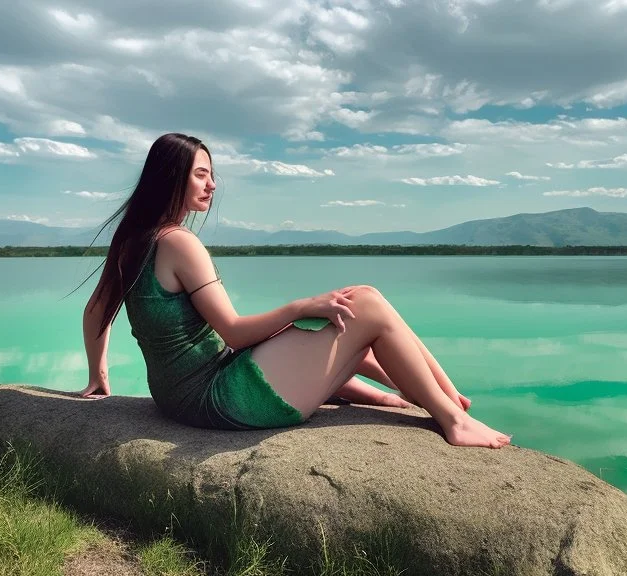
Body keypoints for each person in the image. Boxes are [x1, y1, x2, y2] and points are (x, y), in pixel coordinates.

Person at [79, 133, 511, 449]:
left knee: (356, 318)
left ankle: (427, 395)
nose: (212, 185)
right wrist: (303, 305)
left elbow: (97, 310)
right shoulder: (178, 243)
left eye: (211, 175)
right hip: (218, 399)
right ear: (172, 179)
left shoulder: (134, 238)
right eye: (201, 175)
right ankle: (452, 415)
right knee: (368, 304)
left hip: (178, 395)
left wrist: (99, 376)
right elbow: (232, 332)